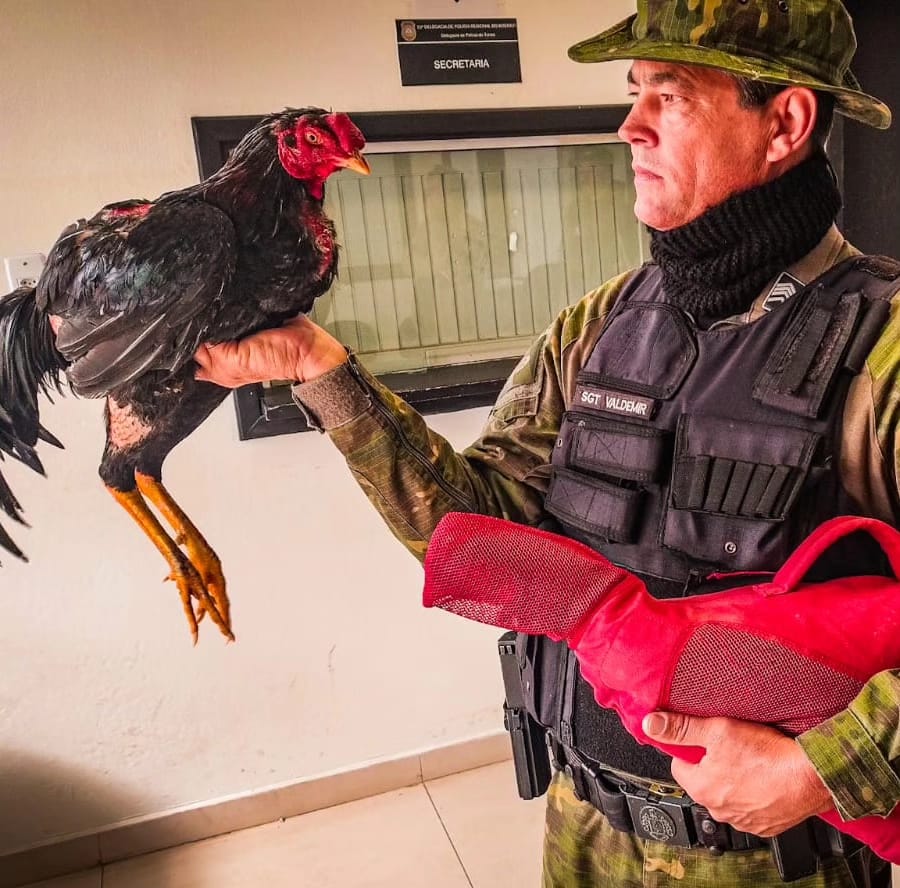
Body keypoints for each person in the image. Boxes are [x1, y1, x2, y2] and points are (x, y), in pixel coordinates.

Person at [195, 1, 900, 884]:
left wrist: (823, 770)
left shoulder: (883, 340)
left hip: (780, 860)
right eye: (634, 91)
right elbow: (481, 539)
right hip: (584, 830)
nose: (629, 125)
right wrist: (321, 369)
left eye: (670, 96)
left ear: (785, 122)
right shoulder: (600, 324)